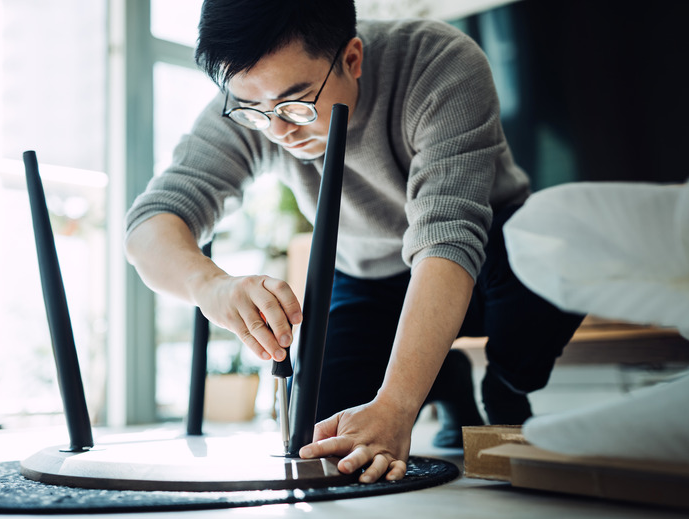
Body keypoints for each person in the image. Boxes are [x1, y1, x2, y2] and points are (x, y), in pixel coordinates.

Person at [125, 0, 584, 484]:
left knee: (562, 250)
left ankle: (509, 383)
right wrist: (210, 286)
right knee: (324, 435)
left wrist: (398, 403)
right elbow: (150, 223)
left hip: (491, 251)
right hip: (366, 273)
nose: (278, 130)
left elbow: (448, 238)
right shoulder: (255, 105)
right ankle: (444, 378)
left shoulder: (439, 63)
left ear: (352, 58)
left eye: (296, 102)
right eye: (255, 110)